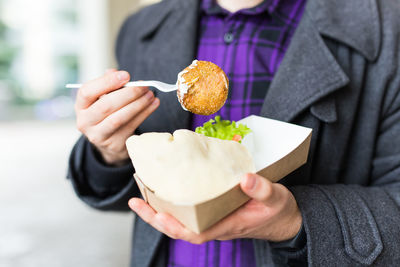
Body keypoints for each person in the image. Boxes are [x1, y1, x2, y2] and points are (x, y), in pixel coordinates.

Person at [67, 0, 400, 266]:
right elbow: (132, 190)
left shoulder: (387, 28)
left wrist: (296, 219)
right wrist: (110, 151)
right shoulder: (140, 29)